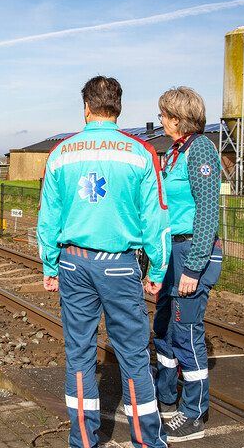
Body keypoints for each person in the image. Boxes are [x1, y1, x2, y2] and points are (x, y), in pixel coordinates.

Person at [37, 76, 171, 448]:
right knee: (133, 355)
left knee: (79, 354)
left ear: (86, 107)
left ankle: (82, 439)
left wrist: (49, 265)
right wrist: (158, 269)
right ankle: (147, 441)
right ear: (119, 107)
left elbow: (47, 217)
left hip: (73, 262)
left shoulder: (61, 153)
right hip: (119, 265)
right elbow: (157, 218)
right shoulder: (141, 153)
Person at [152, 87, 222, 442]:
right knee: (163, 325)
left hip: (194, 251)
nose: (160, 120)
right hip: (171, 251)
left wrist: (193, 269)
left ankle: (194, 412)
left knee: (186, 329)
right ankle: (165, 395)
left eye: (164, 115)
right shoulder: (173, 154)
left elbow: (208, 211)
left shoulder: (201, 150)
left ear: (178, 119)